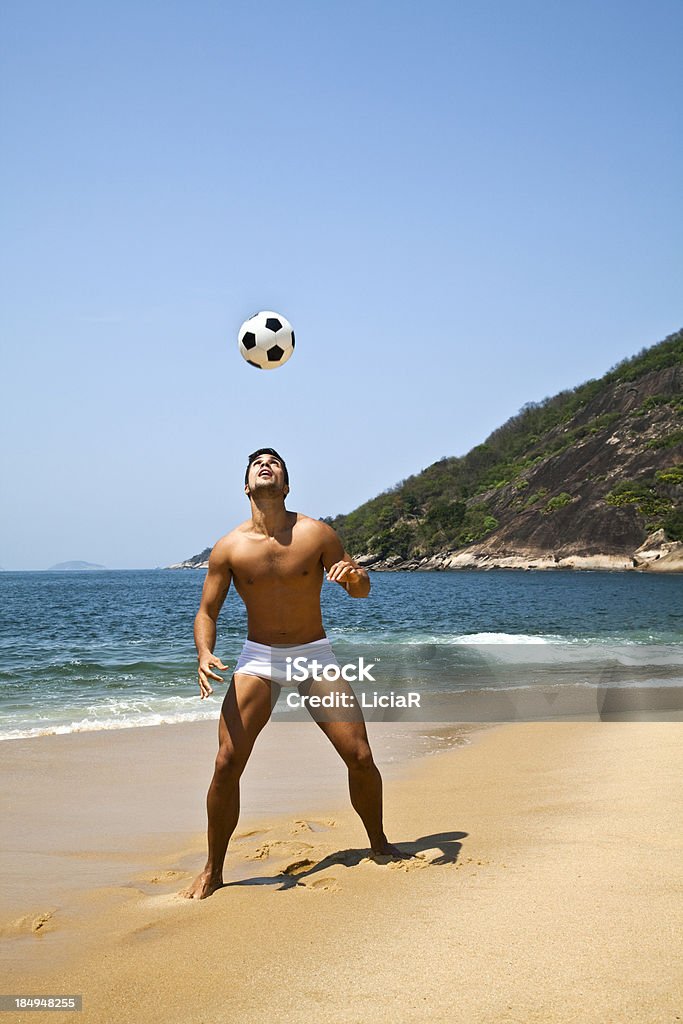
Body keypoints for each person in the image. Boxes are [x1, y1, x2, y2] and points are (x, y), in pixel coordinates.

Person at [182, 447, 401, 899]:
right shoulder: (229, 547)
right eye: (259, 463)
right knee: (226, 763)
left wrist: (353, 577)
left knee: (359, 756)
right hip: (259, 658)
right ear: (247, 485)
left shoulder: (316, 533)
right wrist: (204, 653)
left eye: (275, 463)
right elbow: (207, 612)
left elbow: (360, 590)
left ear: (286, 485)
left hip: (313, 654)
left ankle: (379, 842)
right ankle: (213, 869)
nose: (267, 465)